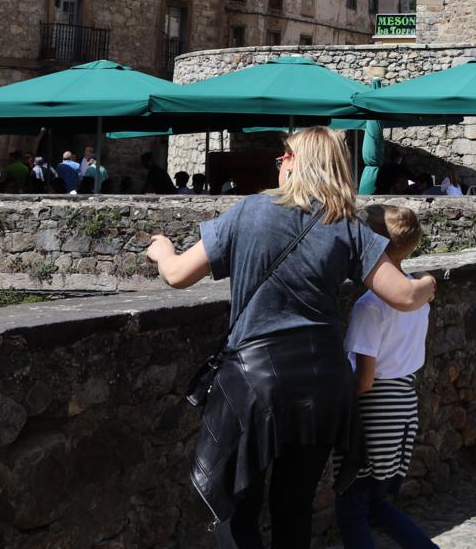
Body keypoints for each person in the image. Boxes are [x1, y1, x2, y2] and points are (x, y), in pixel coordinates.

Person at [144, 127, 436, 549]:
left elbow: (175, 276)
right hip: (321, 388)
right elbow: (406, 296)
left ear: (300, 162)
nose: (278, 162)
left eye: (285, 155)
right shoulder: (348, 225)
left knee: (236, 505)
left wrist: (163, 250)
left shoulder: (248, 212)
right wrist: (428, 281)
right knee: (294, 506)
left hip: (256, 382)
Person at [334, 204, 438, 549]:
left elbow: (364, 379)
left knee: (351, 504)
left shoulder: (370, 305)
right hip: (404, 404)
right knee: (376, 503)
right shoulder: (418, 296)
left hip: (376, 407)